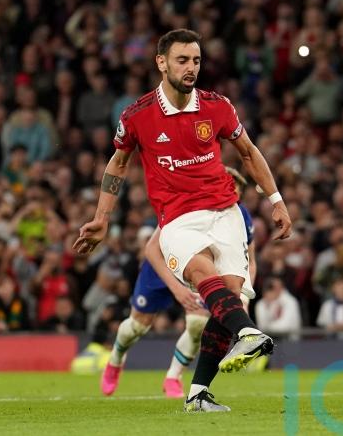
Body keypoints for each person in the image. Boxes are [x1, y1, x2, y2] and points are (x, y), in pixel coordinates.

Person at [73, 29, 291, 412]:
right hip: (177, 219)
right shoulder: (138, 115)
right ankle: (249, 333)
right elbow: (118, 164)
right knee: (202, 272)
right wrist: (101, 218)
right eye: (182, 60)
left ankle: (198, 393)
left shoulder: (217, 106)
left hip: (226, 212)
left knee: (228, 296)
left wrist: (276, 199)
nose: (191, 68)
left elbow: (247, 151)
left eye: (196, 61)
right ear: (161, 62)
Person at [99, 167, 257, 399]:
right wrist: (177, 289)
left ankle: (174, 376)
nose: (230, 195)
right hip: (162, 266)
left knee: (197, 323)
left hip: (200, 269)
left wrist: (243, 298)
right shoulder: (190, 201)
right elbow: (152, 250)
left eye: (236, 192)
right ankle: (116, 358)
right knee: (138, 326)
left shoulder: (239, 216)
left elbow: (248, 260)